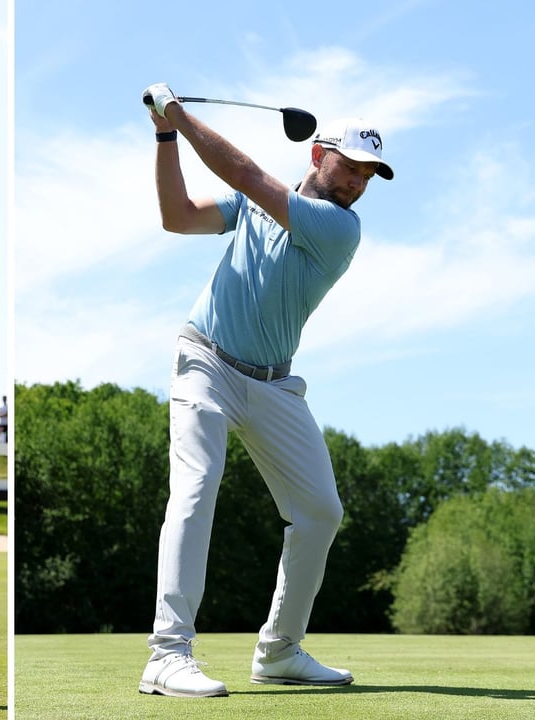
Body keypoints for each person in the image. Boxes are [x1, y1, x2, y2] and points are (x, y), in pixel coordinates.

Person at [137, 84, 392, 697]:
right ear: (318, 155)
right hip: (205, 362)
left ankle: (279, 651)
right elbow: (177, 216)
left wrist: (179, 114)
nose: (358, 183)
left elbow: (248, 172)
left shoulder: (338, 227)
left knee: (319, 512)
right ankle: (167, 655)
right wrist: (165, 136)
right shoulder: (257, 206)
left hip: (275, 385)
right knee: (195, 490)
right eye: (351, 167)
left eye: (368, 175)